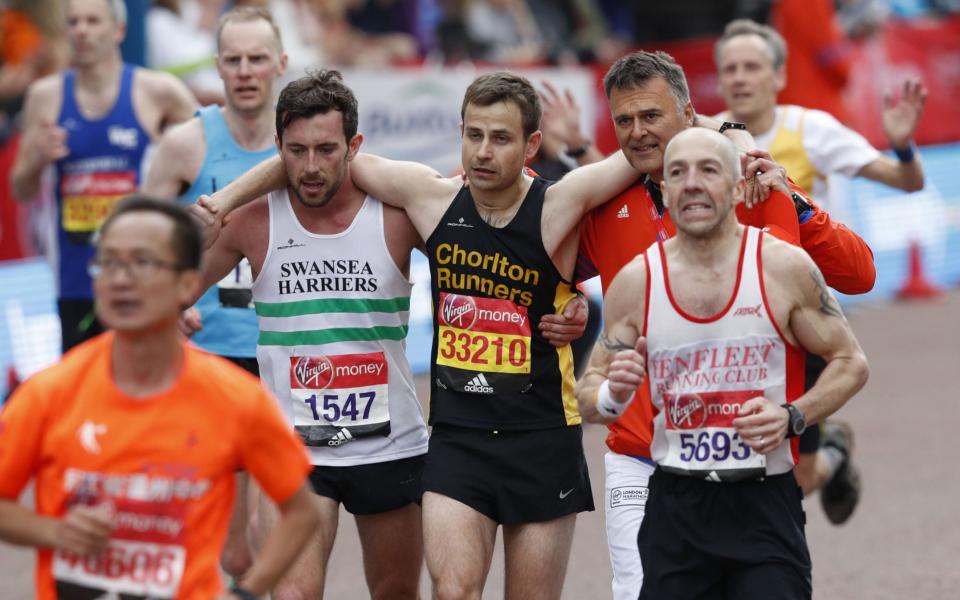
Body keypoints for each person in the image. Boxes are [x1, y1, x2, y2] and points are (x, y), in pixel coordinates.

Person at [197, 70, 641, 599]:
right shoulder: (426, 200)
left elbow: (642, 154)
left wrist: (724, 129)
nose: (482, 151)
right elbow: (306, 163)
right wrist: (222, 202)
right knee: (440, 592)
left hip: (514, 439)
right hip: (438, 441)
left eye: (500, 138)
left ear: (530, 146)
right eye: (473, 135)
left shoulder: (538, 206)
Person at [575, 127, 870, 599]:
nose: (692, 183)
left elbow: (850, 362)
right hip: (676, 507)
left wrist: (793, 416)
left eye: (708, 170)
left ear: (736, 187)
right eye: (678, 173)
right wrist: (613, 394)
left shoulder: (783, 268)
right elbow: (588, 392)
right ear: (665, 191)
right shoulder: (636, 282)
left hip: (763, 504)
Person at [0, 195, 319, 599]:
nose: (121, 279)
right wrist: (55, 531)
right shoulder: (50, 391)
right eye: (110, 263)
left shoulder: (235, 399)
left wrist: (248, 593)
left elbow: (301, 512)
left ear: (187, 284)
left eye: (143, 263)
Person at [187, 70, 429, 599]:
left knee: (396, 594)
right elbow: (167, 291)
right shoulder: (251, 220)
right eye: (296, 151)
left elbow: (482, 267)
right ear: (277, 148)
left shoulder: (396, 216)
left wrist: (568, 306)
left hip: (388, 446)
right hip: (291, 452)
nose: (312, 167)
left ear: (354, 146)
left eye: (326, 149)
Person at [714, 18, 926, 523]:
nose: (740, 78)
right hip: (732, 314)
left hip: (802, 316)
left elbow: (907, 182)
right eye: (730, 69)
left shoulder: (810, 129)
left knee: (801, 477)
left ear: (779, 76)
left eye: (752, 67)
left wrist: (901, 144)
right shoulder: (708, 137)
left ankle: (834, 451)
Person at [141, 5, 288, 579]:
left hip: (284, 352)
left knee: (270, 529)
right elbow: (140, 238)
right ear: (218, 66)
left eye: (257, 59)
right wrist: (164, 303)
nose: (246, 71)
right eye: (233, 60)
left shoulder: (302, 146)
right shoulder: (185, 144)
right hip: (211, 355)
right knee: (230, 547)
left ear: (281, 64)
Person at [10, 0, 197, 352]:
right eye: (74, 22)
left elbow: (207, 150)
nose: (81, 30)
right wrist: (37, 156)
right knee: (84, 392)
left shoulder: (156, 91)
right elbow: (21, 188)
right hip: (74, 278)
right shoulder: (45, 96)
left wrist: (174, 190)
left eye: (92, 21)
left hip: (143, 273)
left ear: (119, 30)